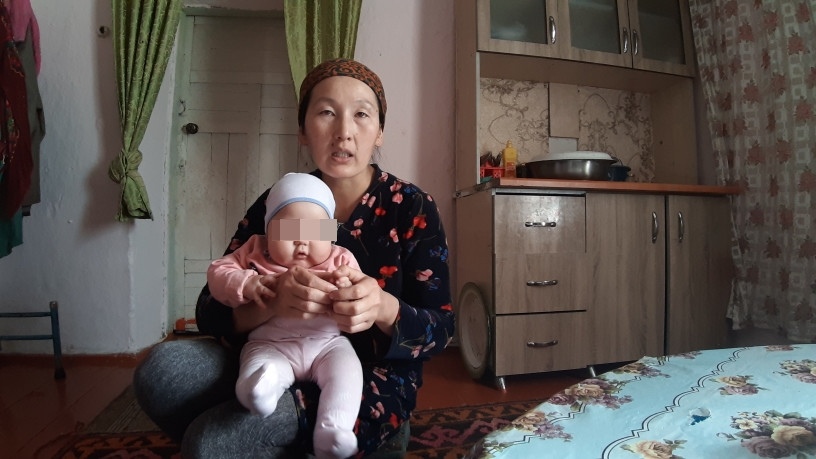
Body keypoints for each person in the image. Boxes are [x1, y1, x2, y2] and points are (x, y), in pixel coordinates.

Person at [133, 57, 455, 458]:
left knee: (209, 443)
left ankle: (358, 436)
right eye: (326, 113)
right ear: (303, 131)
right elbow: (209, 308)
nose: (344, 132)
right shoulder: (280, 202)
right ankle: (272, 428)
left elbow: (441, 328)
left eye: (361, 115)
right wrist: (268, 301)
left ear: (380, 132)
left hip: (364, 379)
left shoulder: (411, 206)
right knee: (160, 373)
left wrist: (382, 307)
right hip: (270, 357)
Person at [207, 172, 363, 458]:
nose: (302, 242)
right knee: (261, 365)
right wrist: (246, 283)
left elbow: (360, 290)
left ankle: (334, 429)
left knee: (347, 372)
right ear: (269, 231)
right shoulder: (254, 250)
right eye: (289, 230)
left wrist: (346, 287)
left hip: (327, 345)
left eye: (316, 231)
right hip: (272, 344)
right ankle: (258, 392)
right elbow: (217, 272)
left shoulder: (340, 258)